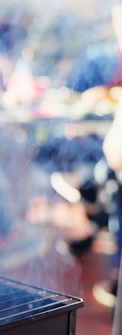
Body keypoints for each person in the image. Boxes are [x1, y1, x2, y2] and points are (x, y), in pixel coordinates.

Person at [66, 3, 122, 308]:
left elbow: (115, 153)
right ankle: (91, 202)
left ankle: (91, 202)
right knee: (107, 175)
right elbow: (73, 97)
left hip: (111, 153)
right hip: (94, 139)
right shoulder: (98, 58)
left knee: (111, 177)